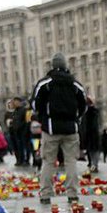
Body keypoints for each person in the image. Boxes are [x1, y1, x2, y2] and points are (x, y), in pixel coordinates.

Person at [31, 52, 87, 204]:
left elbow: (35, 105)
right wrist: (76, 119)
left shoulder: (45, 83)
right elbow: (83, 105)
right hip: (71, 129)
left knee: (48, 161)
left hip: (50, 129)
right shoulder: (75, 84)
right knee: (71, 161)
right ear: (65, 66)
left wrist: (43, 117)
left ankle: (45, 194)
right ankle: (72, 193)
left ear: (53, 66)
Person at [80, 96, 101, 173]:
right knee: (92, 150)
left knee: (93, 150)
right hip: (91, 134)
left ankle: (94, 165)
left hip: (91, 134)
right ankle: (93, 164)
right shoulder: (89, 111)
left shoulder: (89, 111)